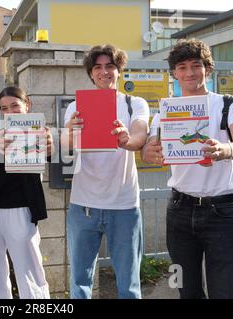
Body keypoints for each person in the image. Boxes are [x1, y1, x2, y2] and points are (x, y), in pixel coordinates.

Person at [142, 39, 233, 299]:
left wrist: (226, 150)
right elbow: (149, 149)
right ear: (174, 73)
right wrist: (149, 152)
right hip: (179, 210)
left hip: (223, 210)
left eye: (196, 65)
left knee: (226, 292)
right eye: (182, 67)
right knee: (186, 290)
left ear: (207, 69)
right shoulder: (165, 112)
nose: (190, 72)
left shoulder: (228, 104)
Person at [63, 44, 149, 299]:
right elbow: (64, 147)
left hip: (124, 205)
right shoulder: (75, 106)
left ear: (119, 70)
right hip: (83, 204)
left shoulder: (135, 104)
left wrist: (126, 140)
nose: (104, 72)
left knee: (129, 283)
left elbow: (140, 135)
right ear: (91, 74)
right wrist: (69, 131)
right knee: (79, 281)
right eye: (98, 67)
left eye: (110, 66)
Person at [0, 86, 53, 299]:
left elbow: (52, 153)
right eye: (4, 108)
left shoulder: (42, 132)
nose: (10, 112)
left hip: (22, 210)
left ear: (27, 104)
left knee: (30, 270)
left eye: (15, 106)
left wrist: (49, 146)